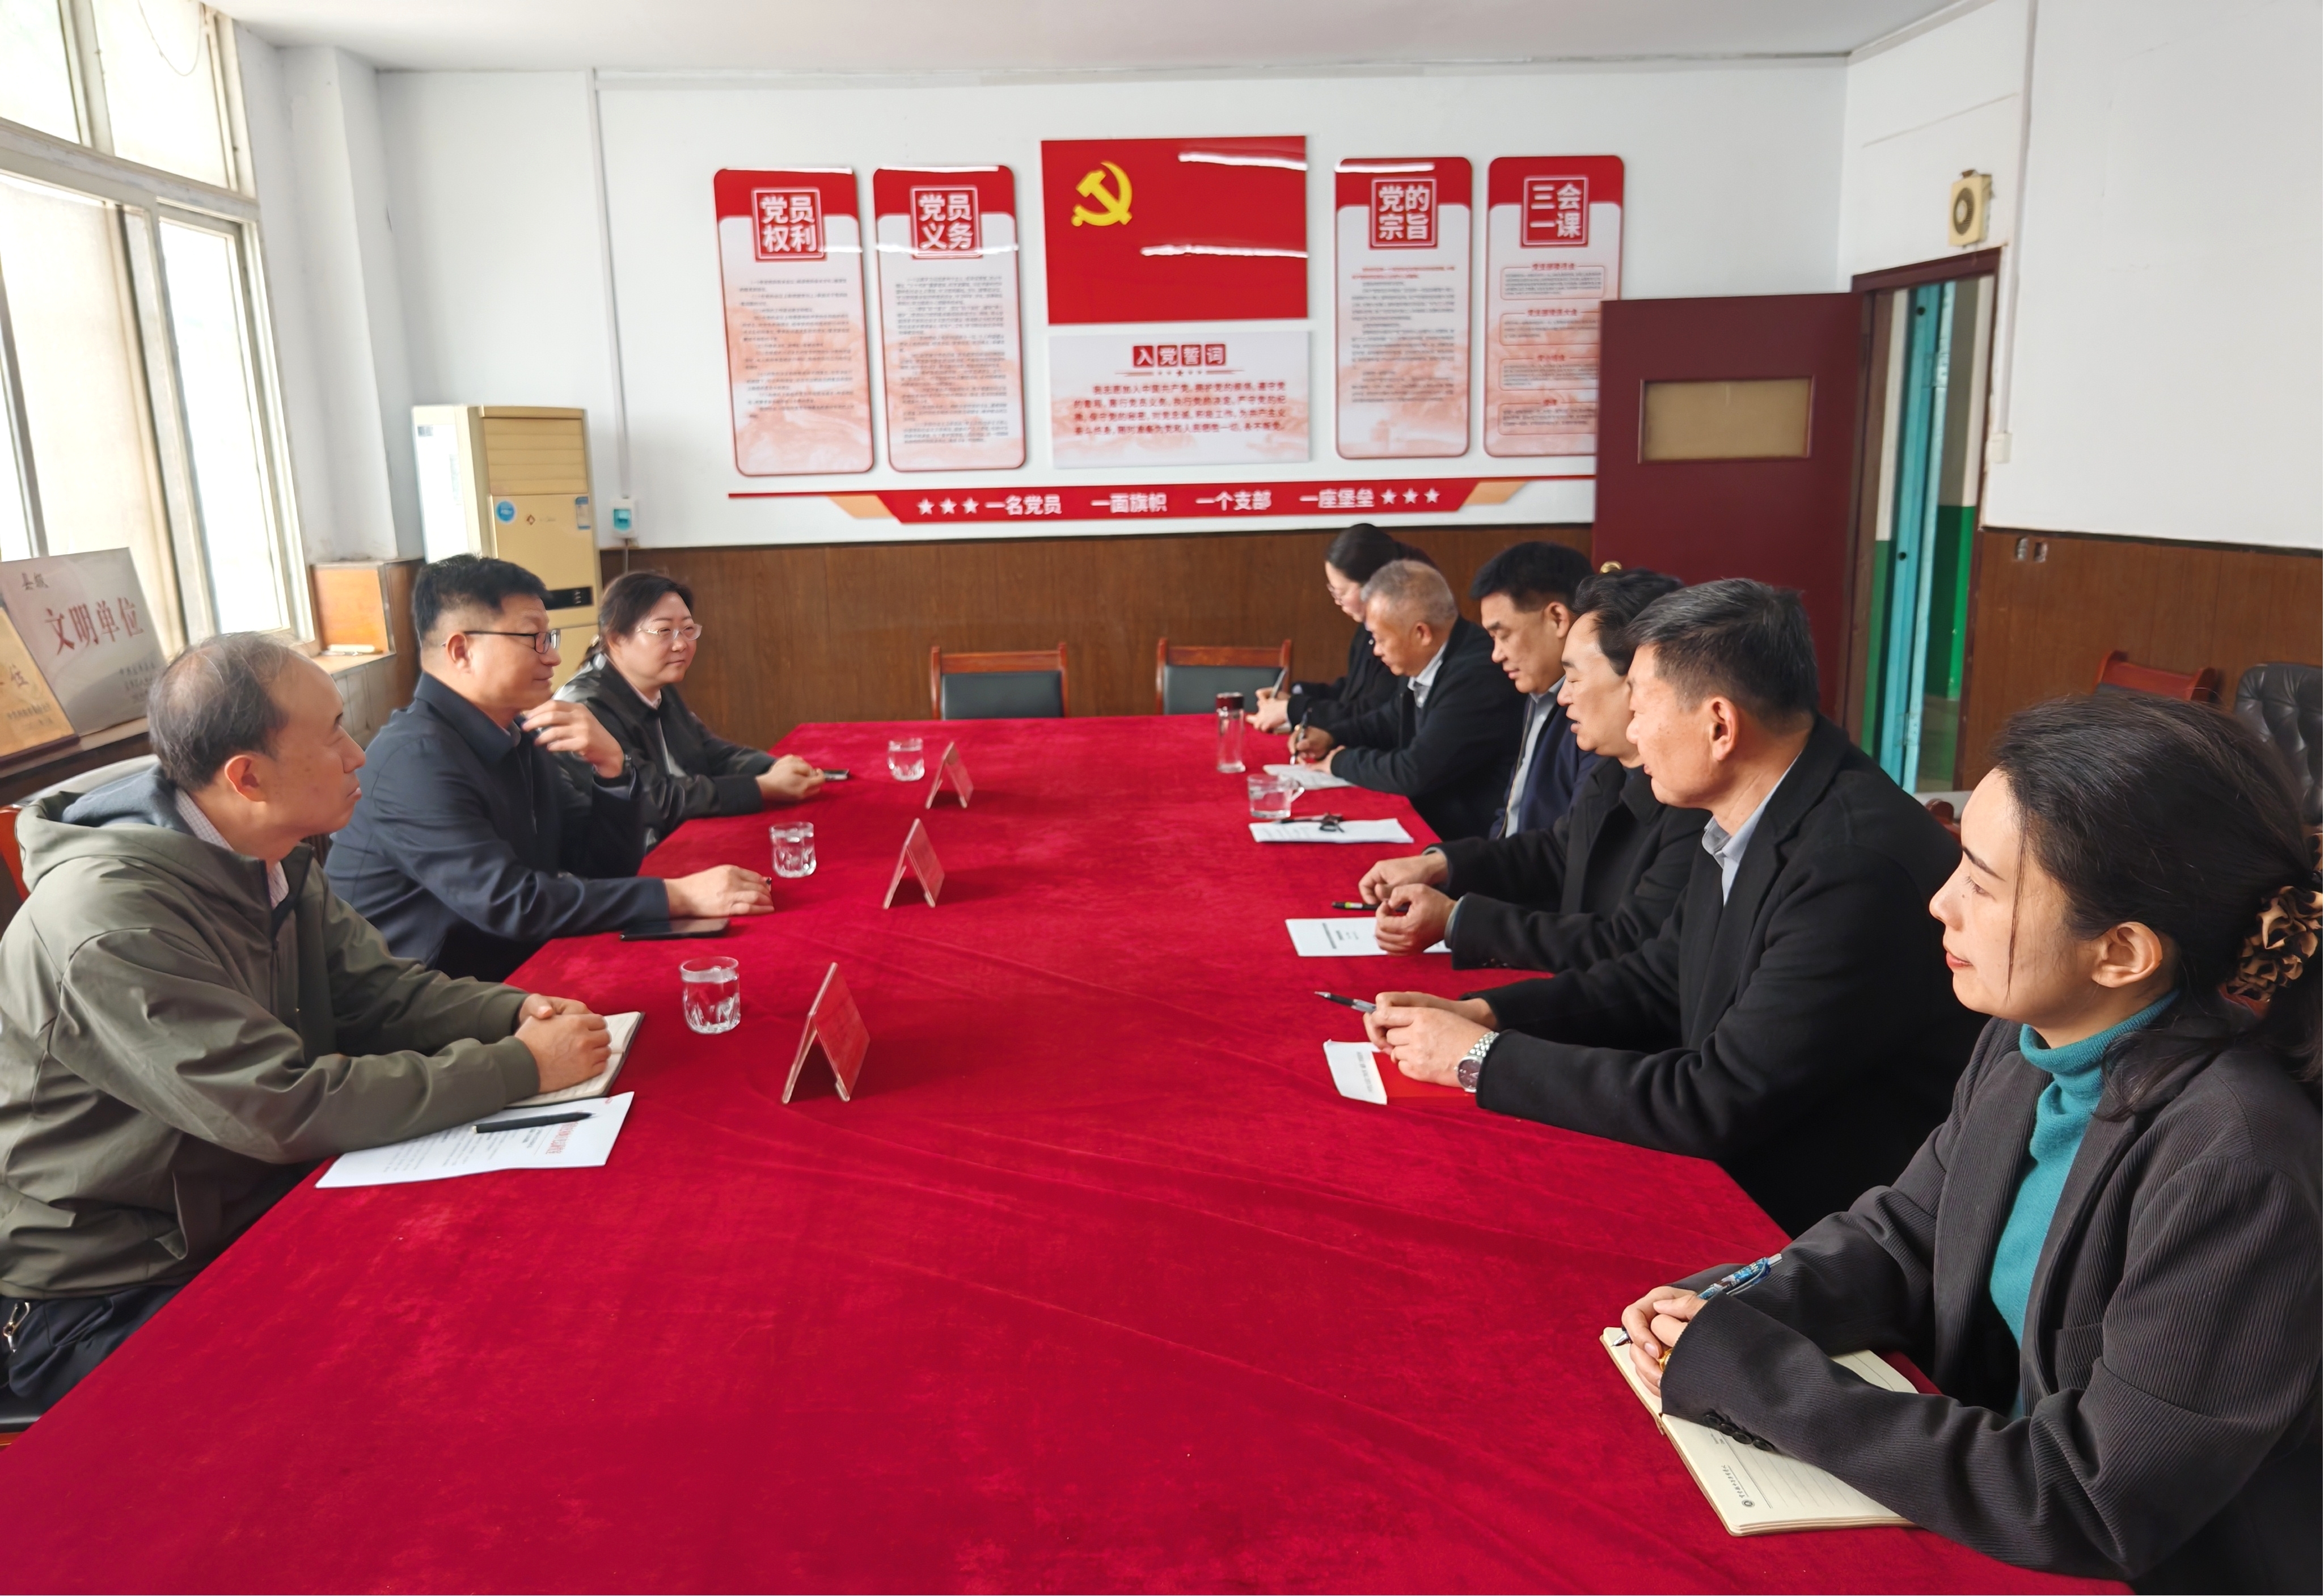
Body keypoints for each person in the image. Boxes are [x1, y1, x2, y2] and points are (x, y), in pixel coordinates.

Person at [1620, 693, 2321, 1593]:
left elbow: (2092, 1498)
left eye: (1983, 884)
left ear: (2120, 952)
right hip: (1992, 1504)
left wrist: (1761, 1378)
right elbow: (1905, 1235)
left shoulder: (2238, 1163)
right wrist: (1738, 1302)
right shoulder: (2028, 1039)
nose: (1939, 901)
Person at [0, 636, 616, 1409]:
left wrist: (514, 1011)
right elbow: (280, 1105)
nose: (358, 755)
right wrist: (521, 1065)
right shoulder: (110, 922)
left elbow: (375, 995)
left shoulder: (268, 852)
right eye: (333, 735)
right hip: (112, 1286)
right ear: (247, 777)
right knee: (377, 1386)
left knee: (502, 1278)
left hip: (251, 1204)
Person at [1365, 579, 1981, 1232]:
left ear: (1719, 725)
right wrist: (1485, 1014)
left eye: (1641, 707)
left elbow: (1715, 1099)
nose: (1632, 732)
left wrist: (1481, 1059)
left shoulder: (1851, 866)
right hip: (1745, 1160)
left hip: (1820, 1221)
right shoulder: (1754, 808)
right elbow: (1657, 979)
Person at [328, 555, 772, 982]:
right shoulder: (414, 760)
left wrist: (613, 769)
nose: (554, 658)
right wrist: (677, 895)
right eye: (533, 639)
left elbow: (601, 867)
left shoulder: (520, 733)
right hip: (425, 1006)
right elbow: (512, 903)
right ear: (462, 650)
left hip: (508, 972)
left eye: (550, 638)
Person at [1364, 568, 1706, 970]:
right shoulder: (1612, 770)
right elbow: (1558, 852)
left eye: (1574, 678)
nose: (1563, 697)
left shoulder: (1692, 806)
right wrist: (1441, 865)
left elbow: (1626, 947)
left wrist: (1459, 920)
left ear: (1640, 683)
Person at [558, 570, 822, 850]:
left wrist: (775, 768)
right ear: (616, 640)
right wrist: (761, 787)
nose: (681, 644)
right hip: (622, 857)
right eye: (664, 631)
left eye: (688, 629)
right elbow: (650, 798)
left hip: (673, 838)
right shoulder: (586, 706)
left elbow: (710, 752)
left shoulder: (657, 682)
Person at [1288, 559, 1523, 843]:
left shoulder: (1477, 676)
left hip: (1465, 840)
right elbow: (1390, 720)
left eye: (1380, 639)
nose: (1377, 651)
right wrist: (1332, 736)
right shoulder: (1427, 657)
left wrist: (1339, 761)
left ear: (1421, 633)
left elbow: (1414, 771)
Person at [1471, 539, 1599, 838]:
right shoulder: (1537, 691)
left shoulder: (1596, 711)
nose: (1496, 655)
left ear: (1557, 618)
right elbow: (1510, 815)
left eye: (1503, 635)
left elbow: (1572, 844)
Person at [1250, 525, 1429, 737]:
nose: (1337, 601)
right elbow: (1352, 691)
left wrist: (1294, 709)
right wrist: (1296, 697)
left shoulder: (1400, 639)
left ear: (1374, 585)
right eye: (1333, 591)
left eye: (1341, 592)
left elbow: (1373, 713)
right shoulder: (1365, 630)